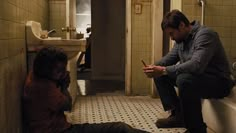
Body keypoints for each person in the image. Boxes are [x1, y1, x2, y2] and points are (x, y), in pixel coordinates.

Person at [143, 10, 235, 133]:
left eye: (172, 34)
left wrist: (164, 70)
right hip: (199, 79)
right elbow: (169, 58)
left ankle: (196, 129)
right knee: (160, 75)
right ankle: (178, 116)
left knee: (184, 79)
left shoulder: (205, 35)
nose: (171, 38)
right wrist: (153, 68)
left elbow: (196, 65)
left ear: (181, 25)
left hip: (219, 82)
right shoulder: (181, 40)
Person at [23, 46, 149, 133]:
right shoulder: (45, 89)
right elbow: (68, 105)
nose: (63, 73)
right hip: (62, 131)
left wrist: (58, 79)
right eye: (59, 71)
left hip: (60, 128)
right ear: (46, 69)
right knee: (120, 129)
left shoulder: (35, 75)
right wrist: (64, 85)